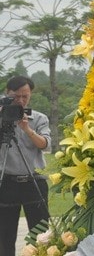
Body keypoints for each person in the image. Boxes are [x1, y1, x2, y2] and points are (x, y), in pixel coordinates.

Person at [0, 76, 51, 256]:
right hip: (7, 182)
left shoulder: (38, 118)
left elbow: (45, 144)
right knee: (4, 237)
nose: (21, 101)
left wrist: (27, 129)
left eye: (25, 96)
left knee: (41, 236)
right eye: (16, 97)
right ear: (7, 94)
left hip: (33, 181)